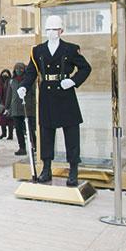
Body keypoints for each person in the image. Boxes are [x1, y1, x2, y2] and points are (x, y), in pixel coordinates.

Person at [18, 15, 92, 186]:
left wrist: (73, 81)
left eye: (55, 29)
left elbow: (85, 68)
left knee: (71, 133)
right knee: (46, 134)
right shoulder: (37, 50)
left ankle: (73, 170)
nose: (51, 32)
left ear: (61, 31)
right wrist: (24, 86)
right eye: (49, 29)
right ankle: (46, 168)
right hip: (47, 94)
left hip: (65, 93)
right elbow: (31, 72)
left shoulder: (71, 49)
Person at [5, 62, 36, 156]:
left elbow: (34, 93)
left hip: (27, 107)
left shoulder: (29, 80)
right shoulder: (12, 81)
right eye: (17, 69)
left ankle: (35, 146)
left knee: (30, 129)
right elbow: (9, 95)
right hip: (15, 108)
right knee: (18, 129)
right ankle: (22, 147)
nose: (19, 71)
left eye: (21, 69)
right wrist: (7, 107)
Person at [0, 69, 14, 140]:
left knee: (10, 119)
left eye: (6, 75)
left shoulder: (11, 82)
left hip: (9, 102)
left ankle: (10, 134)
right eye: (4, 74)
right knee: (2, 119)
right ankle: (3, 133)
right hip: (1, 102)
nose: (5, 76)